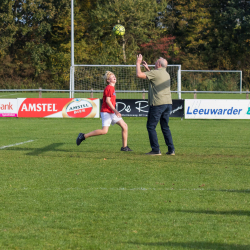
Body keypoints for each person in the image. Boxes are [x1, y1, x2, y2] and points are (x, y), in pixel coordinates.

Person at [76, 71, 132, 152]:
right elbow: (108, 101)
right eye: (112, 77)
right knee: (104, 131)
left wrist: (114, 111)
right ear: (108, 80)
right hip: (106, 112)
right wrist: (116, 111)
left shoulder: (112, 88)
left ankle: (124, 147)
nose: (114, 77)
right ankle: (83, 136)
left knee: (124, 126)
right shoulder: (109, 88)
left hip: (111, 112)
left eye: (114, 76)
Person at [136, 54, 175, 156]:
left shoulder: (156, 73)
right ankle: (171, 150)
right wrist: (147, 68)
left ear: (158, 64)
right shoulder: (166, 74)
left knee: (151, 126)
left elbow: (139, 75)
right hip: (168, 103)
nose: (155, 62)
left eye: (156, 61)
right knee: (165, 127)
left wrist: (138, 63)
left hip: (158, 104)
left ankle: (156, 150)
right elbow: (154, 77)